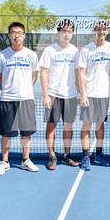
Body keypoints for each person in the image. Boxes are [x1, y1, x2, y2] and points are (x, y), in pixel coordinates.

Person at [0, 22, 39, 176]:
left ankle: (25, 160)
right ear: (9, 35)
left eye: (19, 32)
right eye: (13, 32)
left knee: (26, 134)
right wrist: (8, 90)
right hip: (7, 99)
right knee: (6, 133)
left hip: (26, 99)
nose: (16, 35)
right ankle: (5, 162)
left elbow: (34, 75)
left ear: (24, 35)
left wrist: (25, 89)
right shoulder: (1, 55)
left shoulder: (31, 55)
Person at [40, 19, 79, 170]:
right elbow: (44, 72)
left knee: (68, 127)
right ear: (59, 32)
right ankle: (51, 155)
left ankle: (66, 155)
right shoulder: (50, 50)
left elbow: (79, 73)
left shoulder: (76, 51)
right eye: (64, 31)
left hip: (71, 96)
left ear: (73, 33)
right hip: (53, 95)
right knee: (51, 126)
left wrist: (81, 93)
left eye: (69, 31)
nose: (66, 34)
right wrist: (45, 95)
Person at [78, 21, 110, 171]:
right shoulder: (86, 49)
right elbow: (81, 73)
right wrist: (83, 94)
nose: (101, 32)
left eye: (104, 29)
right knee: (86, 126)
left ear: (107, 31)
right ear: (95, 30)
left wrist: (105, 84)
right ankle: (86, 156)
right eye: (99, 29)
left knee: (100, 125)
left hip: (103, 95)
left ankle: (99, 153)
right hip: (89, 94)